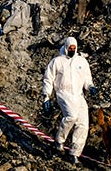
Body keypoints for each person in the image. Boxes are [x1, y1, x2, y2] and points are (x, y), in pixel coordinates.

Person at [42, 36, 98, 166]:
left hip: (78, 95)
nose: (72, 50)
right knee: (71, 116)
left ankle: (74, 153)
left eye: (74, 48)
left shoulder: (81, 61)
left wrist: (90, 87)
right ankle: (59, 141)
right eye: (70, 48)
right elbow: (48, 79)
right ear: (66, 47)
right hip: (63, 93)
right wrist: (46, 96)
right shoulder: (57, 61)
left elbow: (87, 78)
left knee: (83, 124)